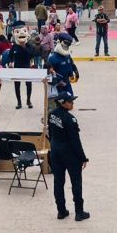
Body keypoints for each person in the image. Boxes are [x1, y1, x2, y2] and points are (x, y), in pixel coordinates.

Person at [48, 92, 90, 221]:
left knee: (58, 182)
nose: (73, 103)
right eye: (70, 101)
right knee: (76, 183)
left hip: (55, 151)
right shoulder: (70, 119)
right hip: (70, 154)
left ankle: (61, 211)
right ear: (63, 103)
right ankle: (79, 212)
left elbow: (50, 133)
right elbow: (75, 141)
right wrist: (83, 158)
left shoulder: (51, 115)